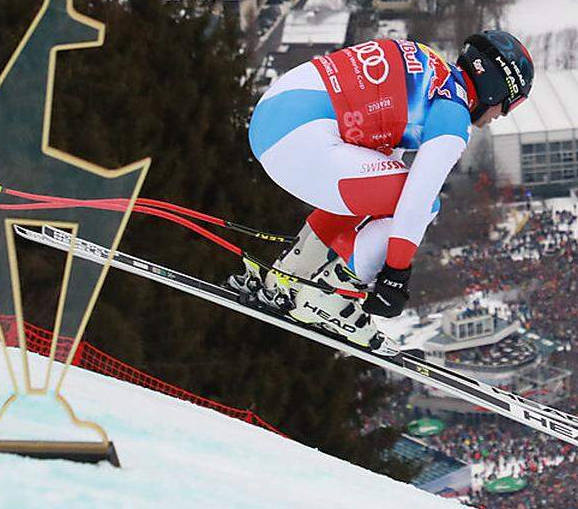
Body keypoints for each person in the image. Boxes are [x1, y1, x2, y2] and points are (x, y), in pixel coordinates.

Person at [229, 31, 534, 348]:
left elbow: (372, 189)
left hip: (271, 120)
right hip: (298, 141)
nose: (499, 116)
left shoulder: (428, 64)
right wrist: (396, 274)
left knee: (384, 189)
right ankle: (330, 295)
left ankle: (290, 274)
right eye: (507, 106)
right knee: (424, 205)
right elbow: (417, 200)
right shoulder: (453, 112)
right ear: (495, 89)